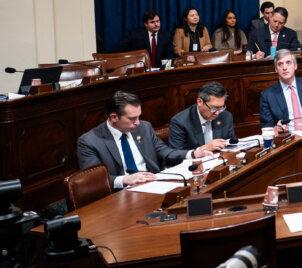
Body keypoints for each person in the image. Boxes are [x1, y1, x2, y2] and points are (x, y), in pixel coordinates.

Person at [77, 91, 215, 190]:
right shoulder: (89, 141)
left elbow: (164, 151)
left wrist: (193, 154)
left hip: (153, 185)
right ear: (113, 117)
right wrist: (125, 179)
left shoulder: (144, 127)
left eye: (138, 117)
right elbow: (94, 180)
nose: (138, 123)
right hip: (121, 194)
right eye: (132, 119)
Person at [167, 81, 237, 151]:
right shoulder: (180, 122)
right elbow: (175, 155)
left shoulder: (226, 116)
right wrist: (203, 149)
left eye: (221, 107)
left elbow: (231, 144)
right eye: (214, 108)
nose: (217, 113)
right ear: (200, 102)